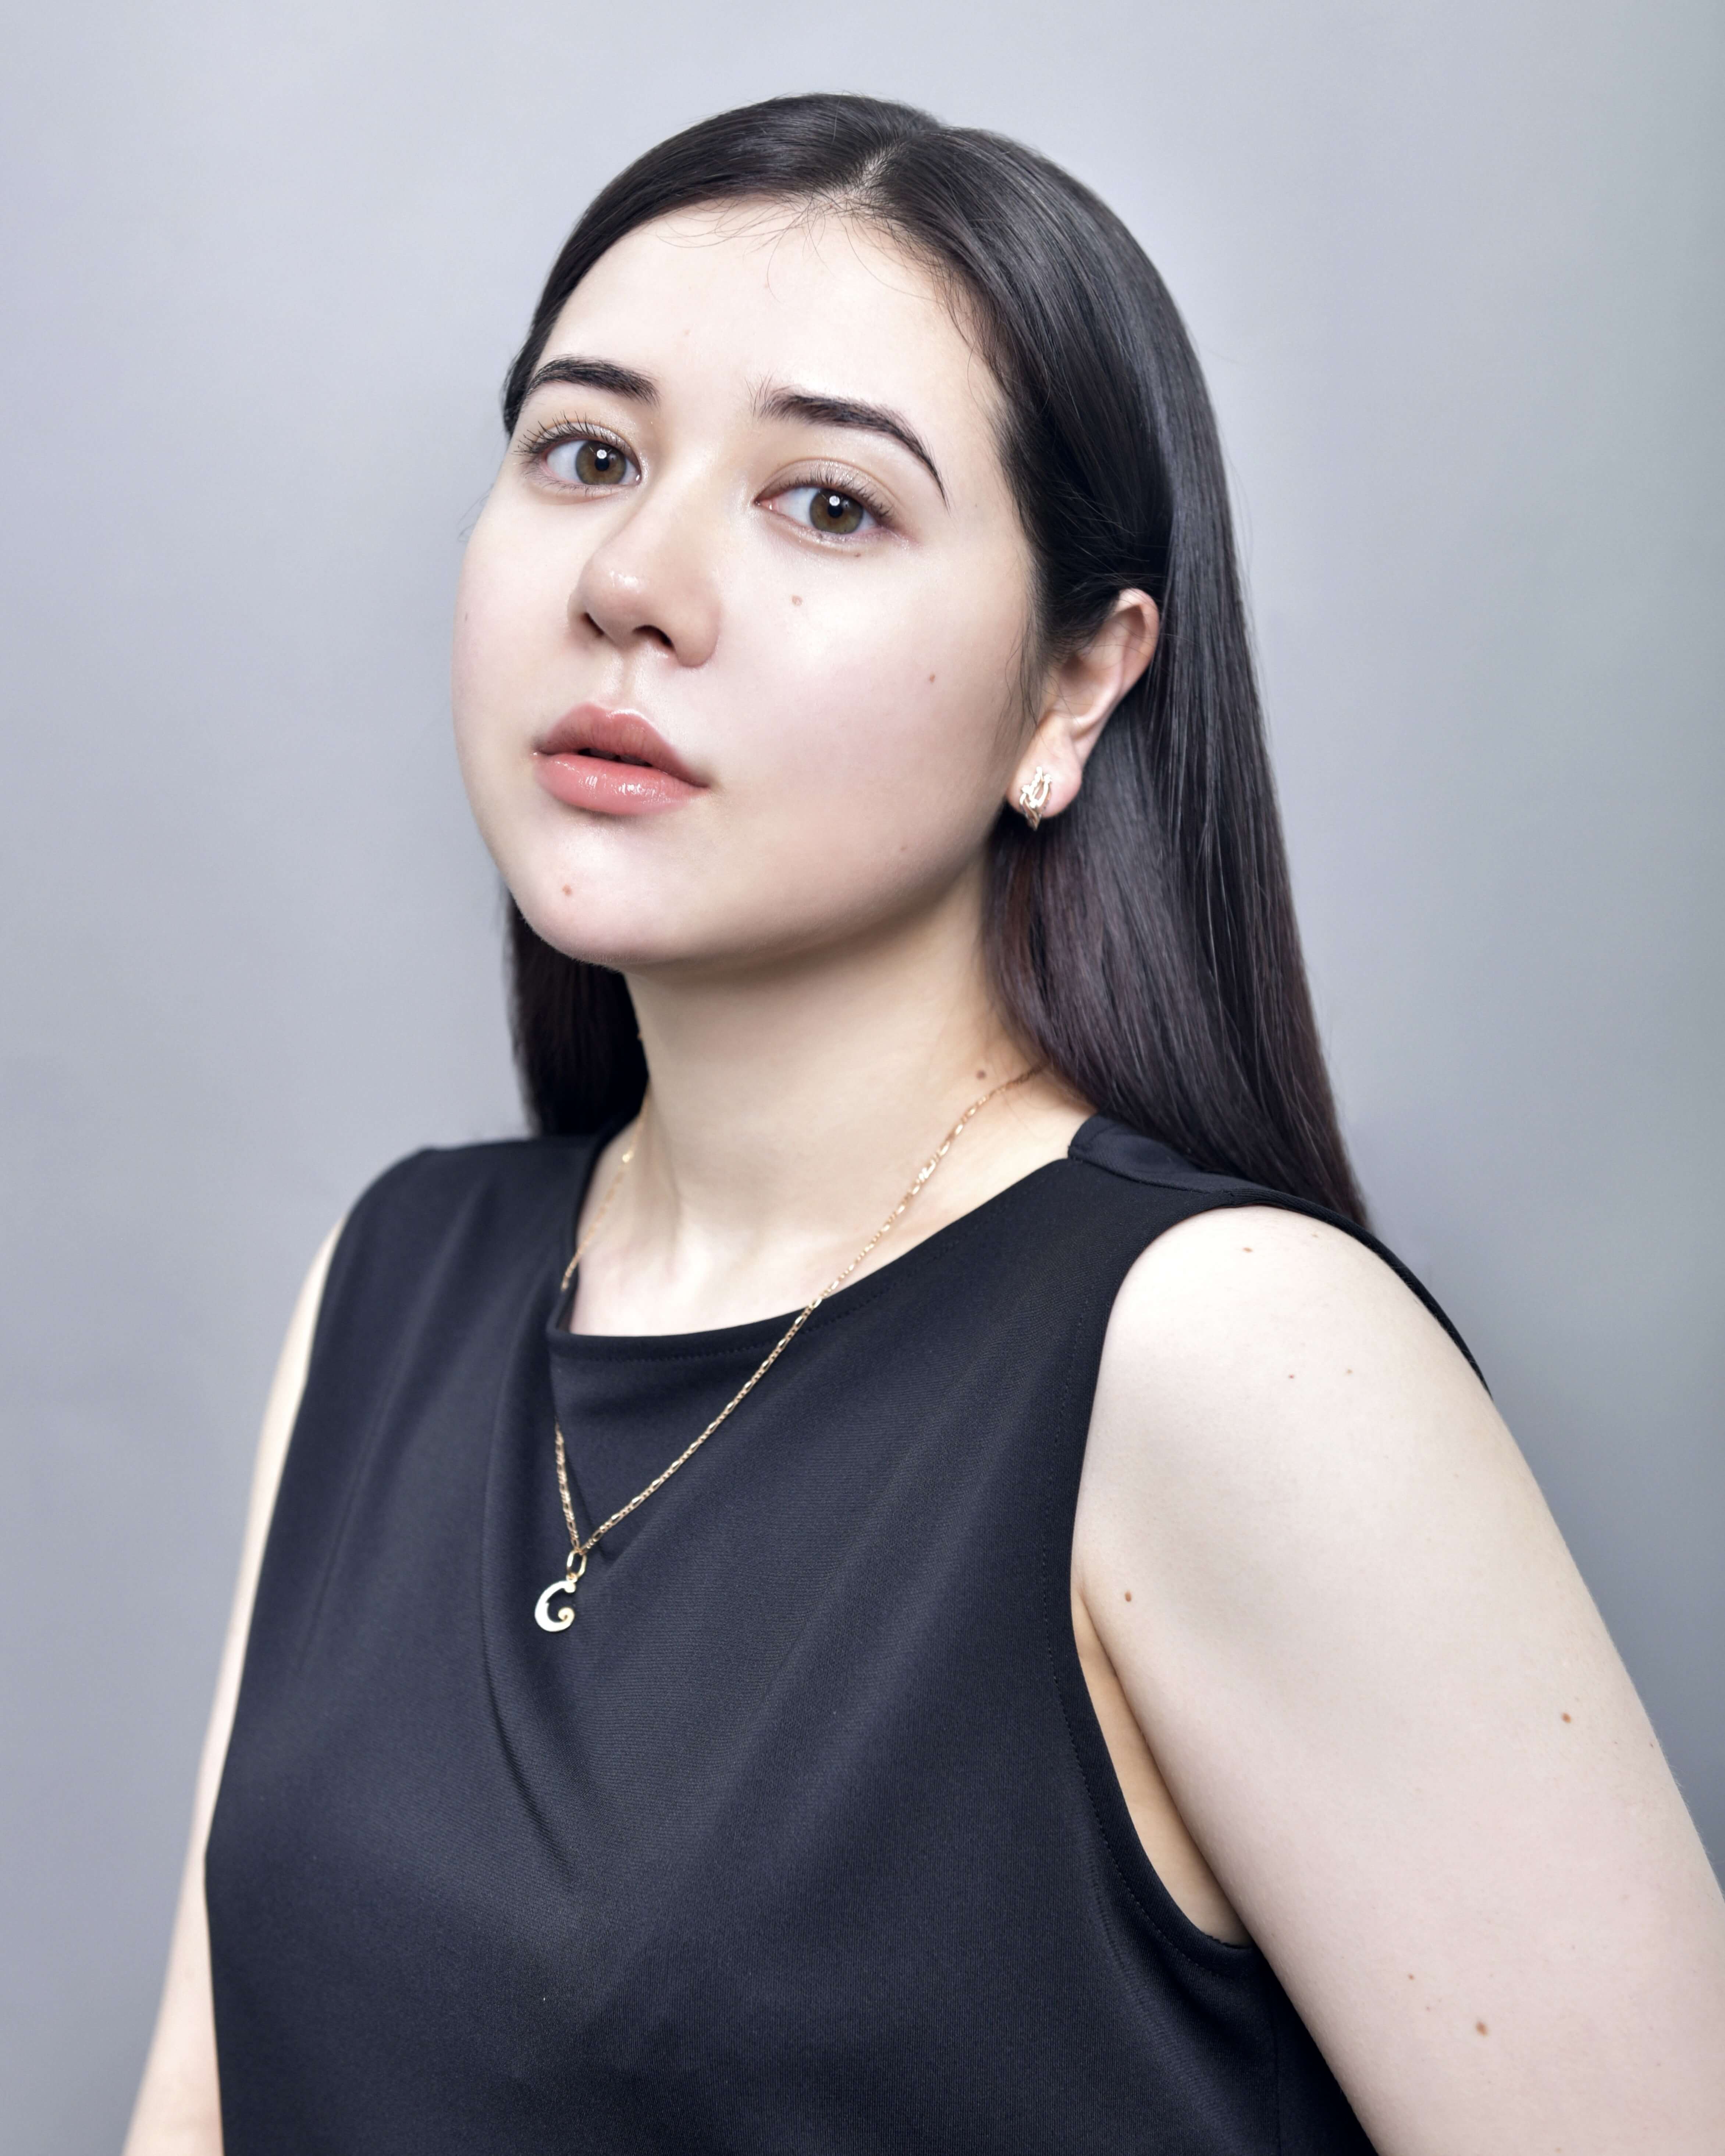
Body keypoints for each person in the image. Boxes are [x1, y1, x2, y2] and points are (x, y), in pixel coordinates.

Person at [125, 93, 1725, 2155]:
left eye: (828, 504)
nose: (633, 579)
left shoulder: (1228, 1355)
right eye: (586, 454)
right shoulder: (397, 1282)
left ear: (1077, 688)